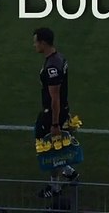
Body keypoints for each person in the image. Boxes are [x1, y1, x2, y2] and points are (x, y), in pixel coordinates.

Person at [33, 28, 79, 197]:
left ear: (43, 43)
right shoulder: (59, 58)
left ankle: (55, 187)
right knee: (47, 142)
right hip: (58, 110)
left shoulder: (52, 66)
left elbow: (55, 98)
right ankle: (69, 171)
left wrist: (54, 123)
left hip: (52, 113)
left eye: (36, 42)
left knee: (50, 149)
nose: (34, 45)